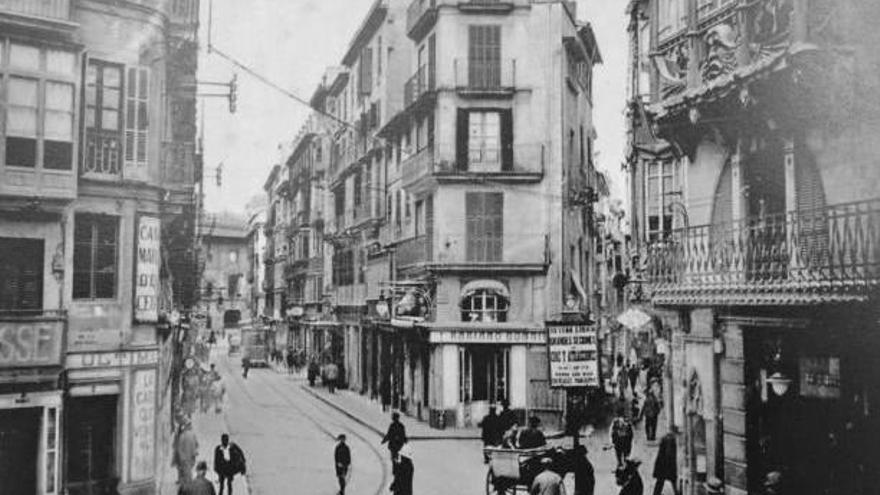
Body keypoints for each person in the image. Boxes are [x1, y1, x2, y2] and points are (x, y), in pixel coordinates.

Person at [174, 419, 199, 483]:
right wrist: (195, 452)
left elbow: (180, 448)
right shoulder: (193, 434)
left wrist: (181, 457)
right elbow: (197, 444)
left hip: (185, 458)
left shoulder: (183, 435)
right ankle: (188, 484)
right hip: (191, 457)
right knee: (189, 471)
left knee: (186, 472)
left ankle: (187, 484)